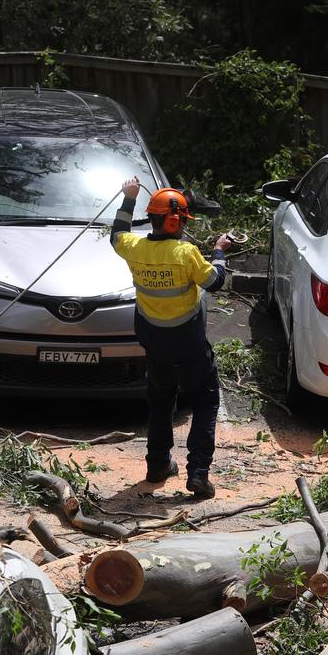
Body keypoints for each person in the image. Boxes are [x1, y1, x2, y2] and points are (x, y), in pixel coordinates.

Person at [110, 176, 231, 499]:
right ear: (176, 220)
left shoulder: (134, 248)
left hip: (154, 345)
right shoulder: (186, 253)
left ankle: (158, 465)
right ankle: (199, 475)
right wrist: (219, 252)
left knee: (161, 403)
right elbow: (214, 282)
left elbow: (116, 234)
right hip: (189, 346)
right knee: (205, 403)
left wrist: (129, 197)